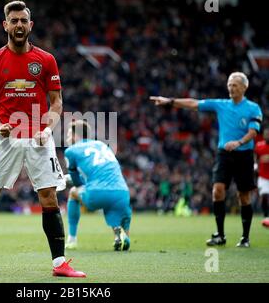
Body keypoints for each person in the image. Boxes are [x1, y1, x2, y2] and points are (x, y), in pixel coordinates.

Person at [0, 0, 85, 277]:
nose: (19, 25)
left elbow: (57, 103)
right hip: (7, 139)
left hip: (39, 137)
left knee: (49, 197)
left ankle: (59, 263)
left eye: (23, 21)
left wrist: (48, 129)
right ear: (5, 25)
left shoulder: (46, 60)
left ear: (30, 25)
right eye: (13, 21)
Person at [150, 72, 263, 248]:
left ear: (244, 87)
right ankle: (220, 235)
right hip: (224, 153)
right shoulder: (221, 105)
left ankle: (245, 237)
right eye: (229, 84)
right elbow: (194, 103)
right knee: (217, 190)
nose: (231, 88)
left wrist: (239, 142)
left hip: (244, 155)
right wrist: (170, 101)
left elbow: (254, 132)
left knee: (244, 196)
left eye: (235, 85)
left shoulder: (253, 108)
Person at [64, 120, 132, 251]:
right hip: (122, 192)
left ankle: (71, 240)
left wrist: (67, 179)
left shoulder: (71, 151)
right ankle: (121, 236)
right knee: (113, 207)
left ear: (74, 135)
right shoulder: (102, 145)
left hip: (97, 194)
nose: (67, 138)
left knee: (73, 192)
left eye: (68, 135)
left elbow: (77, 183)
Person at [255, 128, 269, 228]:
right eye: (266, 134)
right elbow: (255, 156)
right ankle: (265, 215)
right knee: (264, 196)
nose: (267, 135)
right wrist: (255, 164)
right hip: (263, 176)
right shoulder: (259, 145)